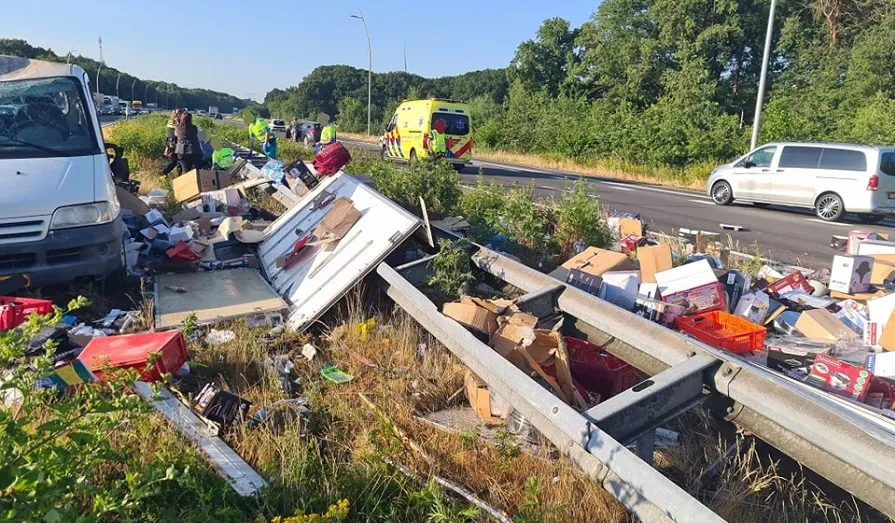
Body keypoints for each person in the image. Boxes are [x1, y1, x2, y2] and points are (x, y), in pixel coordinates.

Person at [162, 109, 183, 177]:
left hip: (171, 144)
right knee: (177, 162)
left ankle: (164, 174)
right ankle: (163, 174)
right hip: (175, 145)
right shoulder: (176, 123)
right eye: (181, 115)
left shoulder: (170, 122)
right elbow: (179, 132)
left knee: (175, 162)